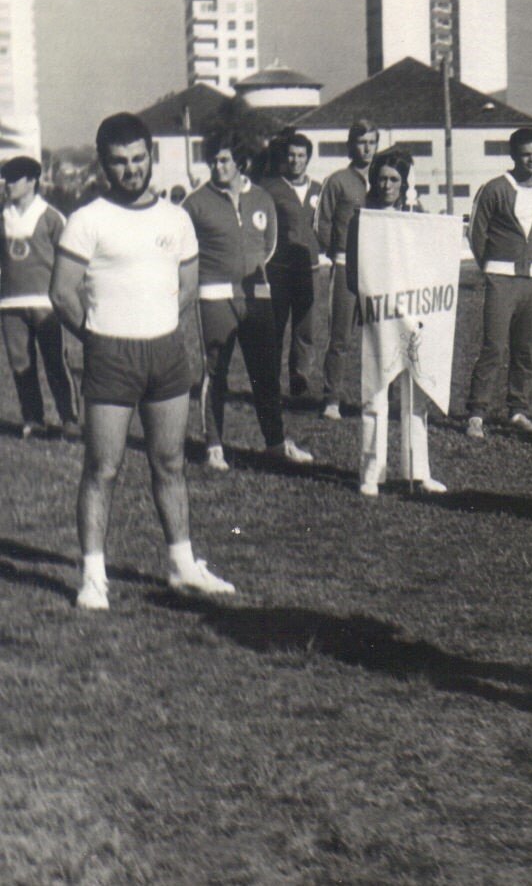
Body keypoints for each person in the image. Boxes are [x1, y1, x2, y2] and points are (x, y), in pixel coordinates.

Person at [51, 113, 236, 610]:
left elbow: (189, 285)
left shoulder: (175, 218)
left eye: (138, 159)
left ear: (151, 156)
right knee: (103, 467)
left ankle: (182, 565)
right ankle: (93, 576)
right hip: (110, 353)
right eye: (119, 163)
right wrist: (95, 336)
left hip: (166, 351)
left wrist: (157, 323)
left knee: (171, 463)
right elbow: (62, 292)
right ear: (104, 165)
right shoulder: (87, 219)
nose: (131, 170)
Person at [184, 133, 312, 471]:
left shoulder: (262, 199)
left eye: (224, 160)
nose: (217, 166)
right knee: (216, 372)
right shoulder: (195, 204)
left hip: (257, 296)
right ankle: (213, 445)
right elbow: (183, 250)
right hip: (214, 298)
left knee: (265, 373)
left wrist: (252, 268)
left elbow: (268, 244)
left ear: (240, 164)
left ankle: (274, 443)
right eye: (212, 161)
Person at [347, 149, 445, 497]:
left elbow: (433, 263)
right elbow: (353, 273)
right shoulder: (363, 219)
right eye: (382, 178)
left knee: (415, 396)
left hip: (414, 318)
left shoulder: (416, 216)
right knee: (375, 394)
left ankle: (418, 471)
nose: (387, 185)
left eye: (394, 180)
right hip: (379, 317)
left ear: (405, 184)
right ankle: (373, 472)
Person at [465, 127, 532, 439]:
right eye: (525, 154)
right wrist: (490, 268)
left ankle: (518, 409)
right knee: (493, 346)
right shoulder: (494, 189)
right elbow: (476, 233)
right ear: (514, 156)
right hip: (501, 278)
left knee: (526, 349)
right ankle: (476, 412)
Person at [2, 155, 78, 437]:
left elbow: (70, 258)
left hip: (46, 303)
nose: (7, 185)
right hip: (10, 303)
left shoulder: (51, 217)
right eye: (5, 179)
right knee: (21, 364)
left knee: (55, 361)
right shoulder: (2, 215)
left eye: (13, 179)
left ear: (32, 182)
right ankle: (33, 419)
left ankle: (69, 419)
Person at [314, 119, 379, 421]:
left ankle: (378, 398)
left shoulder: (384, 179)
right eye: (361, 142)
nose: (367, 148)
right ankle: (332, 399)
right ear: (351, 145)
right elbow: (321, 222)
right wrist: (337, 250)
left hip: (377, 268)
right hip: (344, 267)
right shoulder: (338, 180)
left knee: (379, 336)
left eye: (372, 142)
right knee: (340, 337)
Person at [261, 132, 326, 400]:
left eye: (301, 155)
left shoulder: (319, 190)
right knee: (275, 328)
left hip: (309, 269)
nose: (296, 160)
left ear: (308, 158)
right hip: (279, 270)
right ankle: (269, 382)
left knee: (305, 328)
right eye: (291, 155)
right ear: (284, 157)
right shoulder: (271, 188)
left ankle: (299, 378)